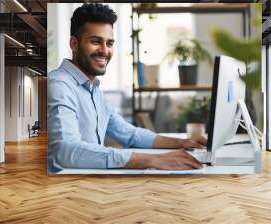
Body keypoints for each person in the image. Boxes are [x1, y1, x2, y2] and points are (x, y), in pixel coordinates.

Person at [48, 3, 206, 172]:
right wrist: (152, 160)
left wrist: (182, 143)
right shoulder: (59, 85)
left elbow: (130, 134)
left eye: (109, 43)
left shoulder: (93, 89)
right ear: (74, 43)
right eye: (95, 41)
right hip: (64, 189)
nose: (104, 50)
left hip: (88, 182)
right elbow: (65, 151)